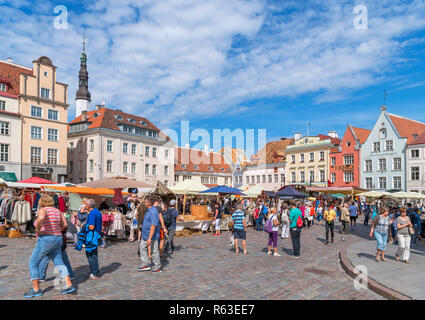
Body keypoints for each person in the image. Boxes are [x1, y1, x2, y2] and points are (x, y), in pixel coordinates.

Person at [25, 194, 75, 298]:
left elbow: (41, 218)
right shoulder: (57, 211)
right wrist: (58, 230)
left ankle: (36, 289)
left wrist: (38, 229)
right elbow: (65, 224)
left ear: (41, 202)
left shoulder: (43, 210)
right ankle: (69, 285)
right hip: (58, 238)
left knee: (33, 262)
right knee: (59, 262)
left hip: (46, 239)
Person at [138, 197, 161, 272]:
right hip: (145, 235)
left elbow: (153, 226)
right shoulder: (148, 210)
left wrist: (150, 238)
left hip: (151, 236)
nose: (144, 203)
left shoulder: (153, 212)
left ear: (148, 203)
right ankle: (145, 264)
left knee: (154, 251)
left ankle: (157, 266)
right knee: (142, 248)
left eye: (145, 202)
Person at [84, 199, 103, 279]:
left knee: (91, 254)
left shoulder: (92, 213)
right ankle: (94, 270)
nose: (85, 206)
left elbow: (91, 227)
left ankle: (95, 272)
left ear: (88, 205)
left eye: (85, 204)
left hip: (92, 236)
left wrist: (84, 226)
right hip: (96, 234)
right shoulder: (97, 212)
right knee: (93, 253)